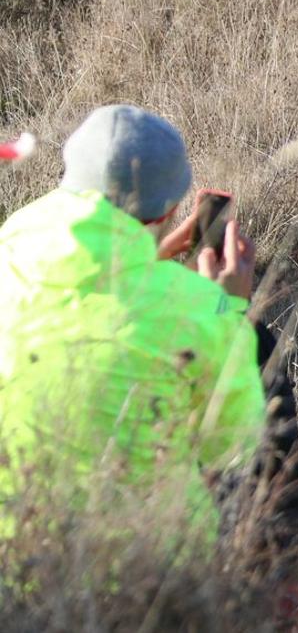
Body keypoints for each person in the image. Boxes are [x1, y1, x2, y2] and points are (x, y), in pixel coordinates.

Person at [0, 105, 268, 544]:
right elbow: (235, 448)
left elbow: (93, 295)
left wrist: (156, 255)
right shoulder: (199, 307)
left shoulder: (10, 247)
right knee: (261, 344)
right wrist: (229, 309)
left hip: (15, 563)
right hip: (149, 578)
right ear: (170, 209)